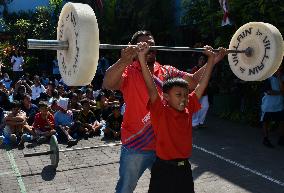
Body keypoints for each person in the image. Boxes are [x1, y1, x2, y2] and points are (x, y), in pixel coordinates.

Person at [102, 30, 226, 193]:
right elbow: (108, 83)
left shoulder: (168, 72)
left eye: (151, 44)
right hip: (136, 146)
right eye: (143, 44)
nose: (149, 47)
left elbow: (194, 82)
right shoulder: (129, 70)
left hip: (164, 151)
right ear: (134, 48)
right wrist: (124, 60)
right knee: (125, 188)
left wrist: (213, 61)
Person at [137, 41, 221, 193]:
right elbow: (150, 85)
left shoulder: (188, 107)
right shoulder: (160, 110)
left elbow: (201, 85)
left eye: (185, 95)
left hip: (184, 170)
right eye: (178, 95)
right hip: (163, 170)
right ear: (166, 97)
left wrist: (211, 60)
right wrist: (142, 58)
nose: (183, 99)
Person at [260, 66, 284, 148]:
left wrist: (280, 78)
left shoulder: (281, 77)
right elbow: (269, 92)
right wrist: (280, 93)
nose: (279, 69)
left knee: (281, 121)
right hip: (268, 105)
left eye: (280, 68)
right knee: (266, 121)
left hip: (279, 104)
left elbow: (282, 90)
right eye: (278, 68)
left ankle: (281, 138)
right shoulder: (267, 77)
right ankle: (266, 139)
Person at [191, 55, 210, 128]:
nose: (202, 61)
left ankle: (201, 122)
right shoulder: (194, 69)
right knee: (195, 108)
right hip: (196, 92)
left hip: (204, 92)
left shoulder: (207, 69)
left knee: (205, 106)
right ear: (198, 60)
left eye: (203, 60)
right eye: (200, 59)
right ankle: (194, 123)